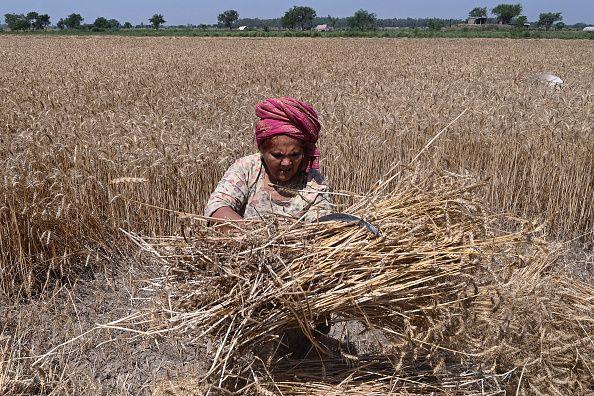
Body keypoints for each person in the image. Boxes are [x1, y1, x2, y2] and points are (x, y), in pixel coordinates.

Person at [204, 96, 333, 227]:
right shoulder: (247, 169)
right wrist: (250, 236)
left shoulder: (314, 183)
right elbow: (217, 207)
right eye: (278, 155)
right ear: (261, 150)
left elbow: (319, 228)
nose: (287, 162)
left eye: (295, 155)